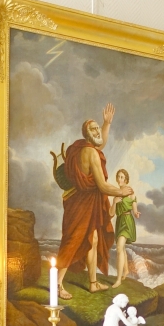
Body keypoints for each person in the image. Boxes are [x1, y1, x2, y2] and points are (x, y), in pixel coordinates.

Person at [56, 105, 134, 300]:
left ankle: (92, 283)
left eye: (97, 128)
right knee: (73, 240)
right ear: (86, 134)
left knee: (94, 239)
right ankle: (57, 284)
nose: (97, 131)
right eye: (94, 129)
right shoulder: (89, 152)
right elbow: (102, 185)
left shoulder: (83, 147)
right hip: (81, 203)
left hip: (85, 202)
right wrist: (121, 192)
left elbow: (100, 145)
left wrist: (106, 123)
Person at [110, 169, 139, 288]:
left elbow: (134, 208)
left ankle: (118, 279)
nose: (119, 179)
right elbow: (111, 213)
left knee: (119, 248)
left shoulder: (130, 192)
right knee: (121, 248)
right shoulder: (116, 194)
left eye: (122, 177)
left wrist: (136, 213)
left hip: (127, 221)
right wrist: (114, 202)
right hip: (119, 221)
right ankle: (126, 270)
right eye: (118, 177)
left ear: (126, 179)